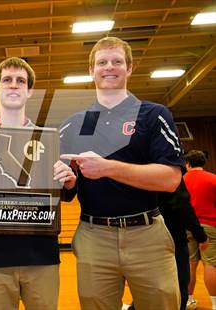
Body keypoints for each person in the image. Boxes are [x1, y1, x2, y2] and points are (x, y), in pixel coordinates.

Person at [60, 36, 184, 310]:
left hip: (147, 235)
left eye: (117, 61)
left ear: (130, 68)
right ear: (91, 70)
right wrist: (67, 183)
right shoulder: (73, 124)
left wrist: (107, 167)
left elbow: (171, 179)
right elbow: (62, 190)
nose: (109, 67)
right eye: (102, 62)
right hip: (94, 236)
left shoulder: (154, 115)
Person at [0, 57, 75, 310]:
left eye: (20, 81)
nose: (13, 85)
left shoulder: (49, 139)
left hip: (42, 256)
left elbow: (66, 193)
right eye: (6, 80)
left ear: (29, 90)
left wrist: (69, 181)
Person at [124, 179, 209, 310]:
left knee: (147, 285)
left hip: (139, 236)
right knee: (177, 287)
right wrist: (200, 235)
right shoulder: (169, 172)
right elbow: (181, 205)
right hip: (170, 238)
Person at [183, 150, 216, 310]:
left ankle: (188, 300)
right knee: (211, 264)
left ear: (187, 163)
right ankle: (215, 304)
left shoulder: (180, 180)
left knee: (190, 263)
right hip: (210, 225)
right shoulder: (213, 179)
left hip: (186, 226)